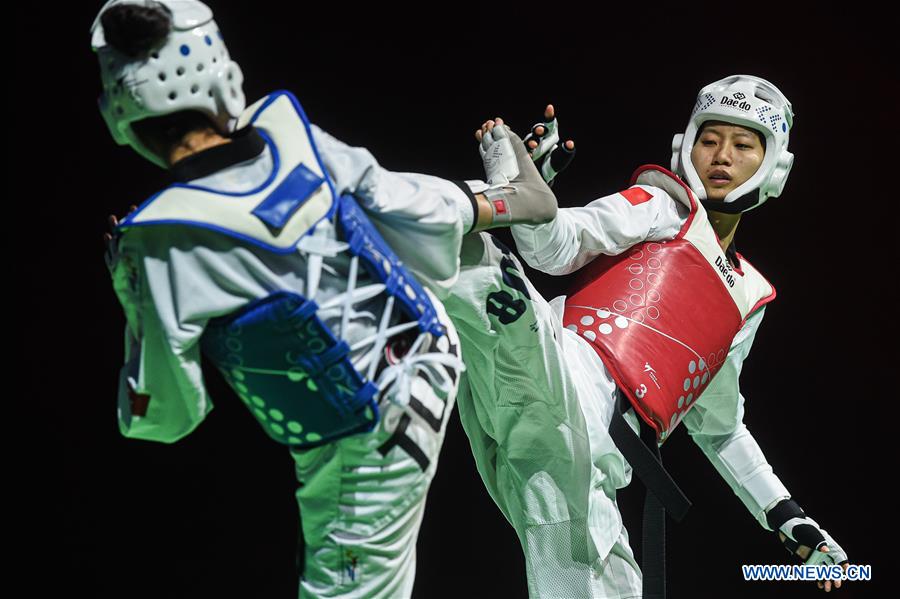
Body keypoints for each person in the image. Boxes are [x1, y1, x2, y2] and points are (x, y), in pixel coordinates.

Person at [91, 1, 556, 597]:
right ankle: (493, 203)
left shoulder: (157, 242)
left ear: (123, 115)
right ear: (219, 73)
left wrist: (133, 302)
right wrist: (479, 206)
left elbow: (167, 417)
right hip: (431, 346)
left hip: (368, 439)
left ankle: (489, 211)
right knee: (380, 207)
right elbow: (394, 200)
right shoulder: (286, 130)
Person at [453, 77, 849, 598]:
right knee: (472, 255)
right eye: (710, 139)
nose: (722, 156)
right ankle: (342, 214)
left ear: (774, 165)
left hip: (584, 460)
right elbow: (554, 249)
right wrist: (534, 203)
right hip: (561, 374)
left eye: (743, 144)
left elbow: (721, 429)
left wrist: (785, 516)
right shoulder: (660, 206)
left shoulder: (748, 299)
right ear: (685, 146)